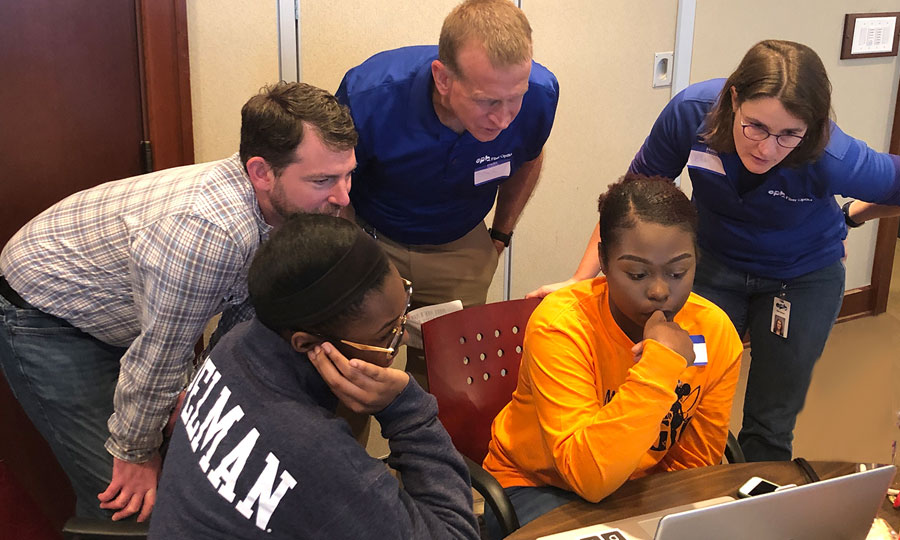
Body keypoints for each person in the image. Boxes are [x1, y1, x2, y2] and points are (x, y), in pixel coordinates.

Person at [528, 40, 900, 462]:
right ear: (734, 98)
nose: (766, 148)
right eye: (755, 127)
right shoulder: (692, 115)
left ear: (809, 128)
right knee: (684, 385)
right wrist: (582, 280)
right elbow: (631, 201)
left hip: (800, 278)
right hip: (714, 266)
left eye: (788, 135)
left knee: (771, 417)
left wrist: (851, 216)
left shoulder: (832, 155)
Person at [0, 82, 357, 521]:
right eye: (323, 180)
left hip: (126, 313)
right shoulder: (211, 230)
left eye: (347, 174)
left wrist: (194, 394)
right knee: (126, 503)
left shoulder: (281, 207)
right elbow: (161, 354)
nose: (343, 196)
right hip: (46, 312)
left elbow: (241, 319)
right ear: (262, 172)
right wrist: (135, 451)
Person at [149, 214, 480, 540]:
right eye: (385, 335)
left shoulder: (234, 346)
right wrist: (406, 410)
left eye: (403, 309)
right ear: (307, 343)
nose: (402, 338)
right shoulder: (314, 455)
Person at [482, 175, 743, 535]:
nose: (659, 290)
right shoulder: (562, 325)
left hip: (642, 488)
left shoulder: (715, 332)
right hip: (539, 484)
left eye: (678, 271)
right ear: (603, 260)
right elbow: (588, 477)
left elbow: (693, 468)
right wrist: (661, 365)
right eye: (637, 273)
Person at [335, 0, 559, 311]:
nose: (504, 119)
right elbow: (333, 181)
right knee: (363, 354)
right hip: (374, 237)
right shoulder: (369, 97)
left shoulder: (540, 94)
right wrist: (351, 250)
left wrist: (500, 236)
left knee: (450, 357)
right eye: (488, 102)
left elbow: (529, 157)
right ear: (443, 79)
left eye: (515, 98)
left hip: (462, 247)